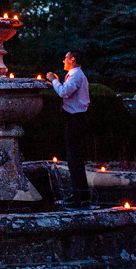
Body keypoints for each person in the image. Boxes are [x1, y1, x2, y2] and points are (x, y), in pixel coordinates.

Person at [46, 50, 91, 209]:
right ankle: (79, 194)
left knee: (75, 158)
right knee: (74, 158)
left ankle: (81, 196)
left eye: (65, 58)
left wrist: (53, 81)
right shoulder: (75, 76)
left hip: (75, 119)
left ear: (72, 59)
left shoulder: (76, 76)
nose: (63, 60)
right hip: (74, 118)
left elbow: (64, 92)